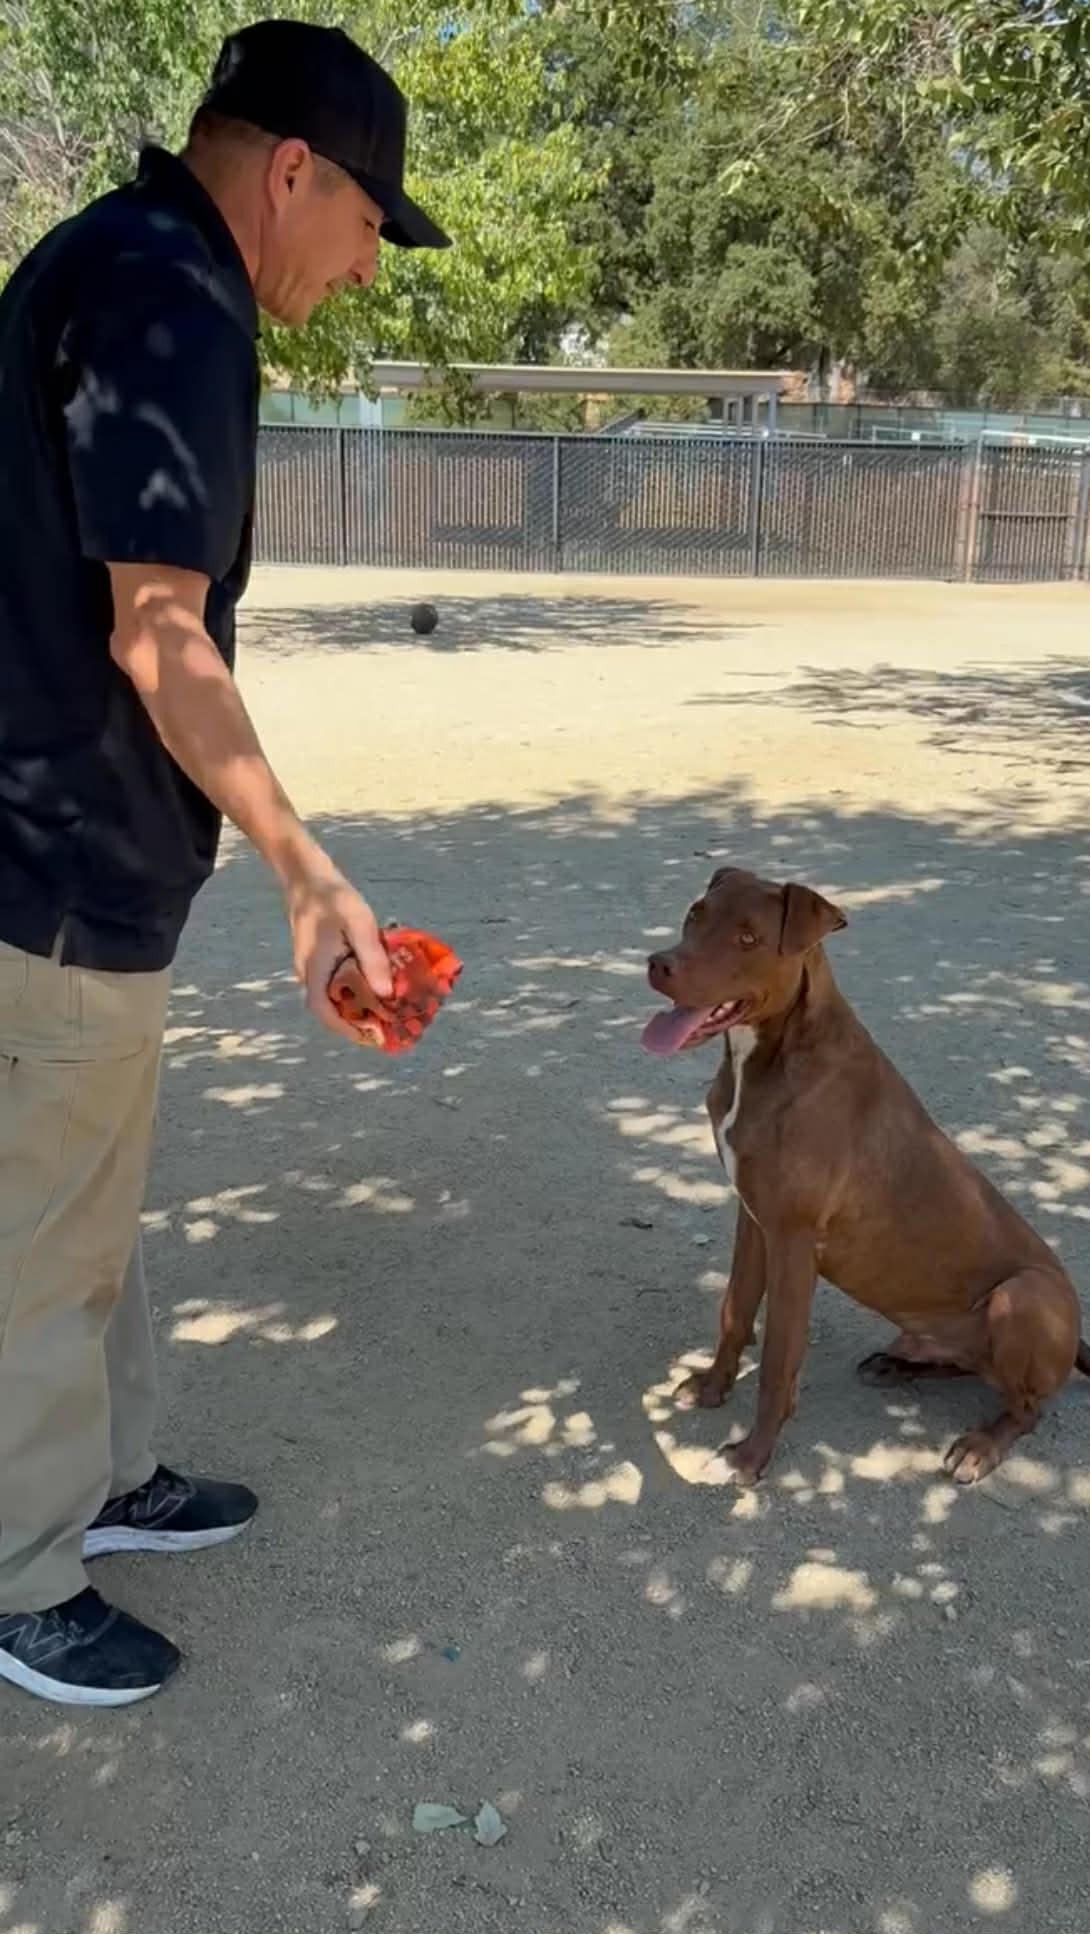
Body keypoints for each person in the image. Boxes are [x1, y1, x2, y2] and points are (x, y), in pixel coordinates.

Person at [0, 19, 451, 1706]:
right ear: (288, 171)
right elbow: (158, 631)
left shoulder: (95, 259)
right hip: (51, 859)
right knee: (42, 1243)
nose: (365, 261)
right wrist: (306, 867)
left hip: (62, 850)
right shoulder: (176, 301)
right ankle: (25, 1578)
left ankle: (108, 1479)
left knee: (82, 1202)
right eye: (366, 224)